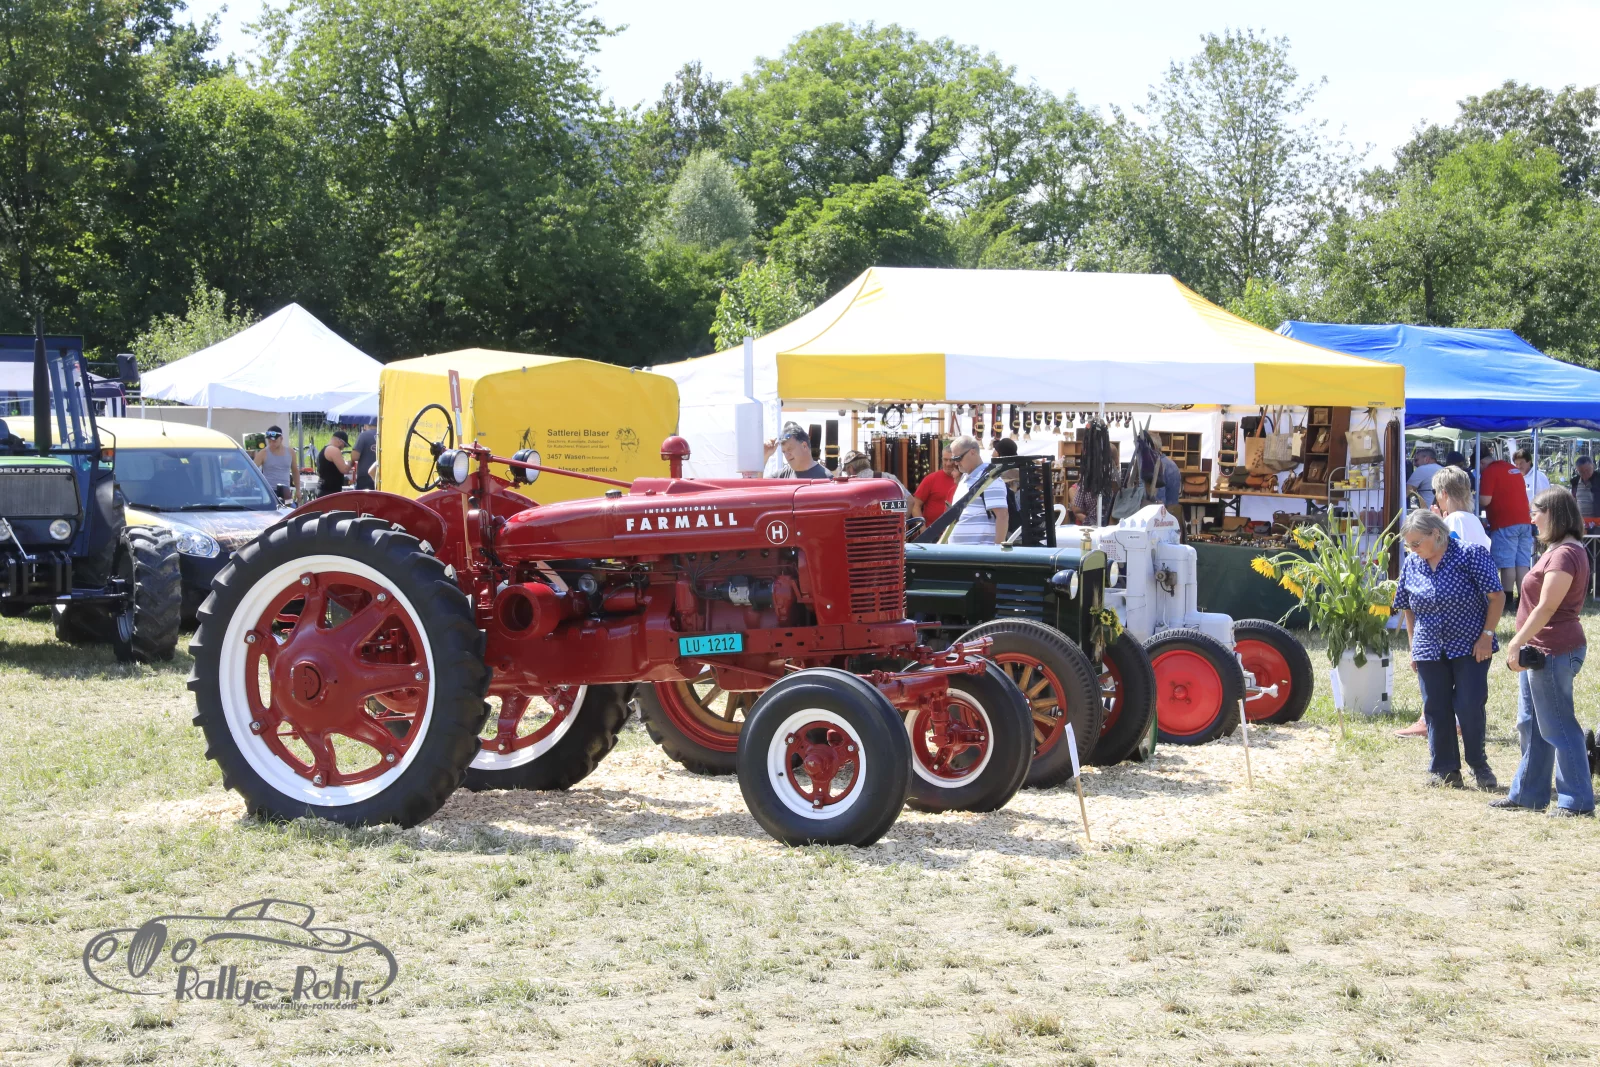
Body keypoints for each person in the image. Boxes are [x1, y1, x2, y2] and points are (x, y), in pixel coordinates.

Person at [1494, 487, 1592, 816]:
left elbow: (1547, 606)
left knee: (1558, 727)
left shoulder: (1564, 554)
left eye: (1536, 512)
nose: (1532, 519)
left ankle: (1576, 802)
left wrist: (1516, 640)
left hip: (1553, 648)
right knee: (1533, 725)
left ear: (1553, 513)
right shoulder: (1559, 550)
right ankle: (1528, 794)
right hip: (1542, 650)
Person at [1392, 510, 1505, 790]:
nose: (1413, 549)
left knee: (1469, 705)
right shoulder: (1413, 563)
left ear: (1436, 534)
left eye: (1416, 543)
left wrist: (1486, 636)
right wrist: (1413, 646)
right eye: (1408, 545)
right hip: (1428, 646)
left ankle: (1478, 765)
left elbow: (1496, 596)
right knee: (1435, 707)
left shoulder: (1470, 554)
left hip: (1470, 644)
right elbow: (1407, 607)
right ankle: (1445, 770)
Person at [1395, 466, 1492, 739]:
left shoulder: (1455, 521)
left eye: (1436, 492)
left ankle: (1433, 720)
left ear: (1444, 493)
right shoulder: (1473, 520)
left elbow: (1447, 554)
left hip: (1451, 616)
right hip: (1472, 612)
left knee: (1440, 679)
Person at [1480, 449, 1533, 610]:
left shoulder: (1490, 471)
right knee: (1522, 562)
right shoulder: (1512, 468)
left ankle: (1507, 599)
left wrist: (1476, 498)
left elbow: (1485, 500)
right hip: (1525, 521)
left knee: (1507, 563)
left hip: (1505, 523)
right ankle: (1523, 599)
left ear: (1482, 463)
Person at [946, 435, 1008, 545]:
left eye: (958, 458)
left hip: (980, 551)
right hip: (962, 551)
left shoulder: (990, 478)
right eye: (954, 459)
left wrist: (997, 550)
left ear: (972, 452)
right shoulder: (965, 478)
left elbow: (1002, 516)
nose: (955, 463)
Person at [911, 451, 959, 524]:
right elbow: (915, 505)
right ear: (941, 459)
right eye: (945, 460)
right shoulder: (931, 479)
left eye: (951, 460)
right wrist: (922, 528)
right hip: (932, 529)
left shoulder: (963, 480)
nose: (948, 464)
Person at [254, 424, 297, 499]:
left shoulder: (290, 452)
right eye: (269, 441)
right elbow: (252, 469)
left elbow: (295, 471)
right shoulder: (263, 453)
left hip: (286, 491)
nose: (271, 443)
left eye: (274, 441)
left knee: (289, 506)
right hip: (269, 492)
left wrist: (298, 490)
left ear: (281, 438)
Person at [840, 449, 907, 492]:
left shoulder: (848, 487)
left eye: (846, 471)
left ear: (850, 469)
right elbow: (910, 501)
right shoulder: (890, 479)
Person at [318, 429, 352, 497]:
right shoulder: (334, 450)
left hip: (325, 489)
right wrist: (352, 461)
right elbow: (344, 469)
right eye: (344, 445)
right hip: (330, 492)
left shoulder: (325, 449)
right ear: (340, 441)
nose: (343, 448)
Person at [1570, 455, 1600, 519]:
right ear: (1577, 470)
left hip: (1597, 521)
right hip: (1581, 521)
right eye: (1582, 472)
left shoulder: (1598, 480)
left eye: (1588, 470)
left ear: (1593, 466)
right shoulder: (1575, 482)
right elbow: (1573, 501)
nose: (1585, 473)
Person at [351, 422, 377, 491]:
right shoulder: (386, 435)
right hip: (383, 476)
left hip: (365, 476)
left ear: (366, 425)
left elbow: (355, 457)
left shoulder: (364, 435)